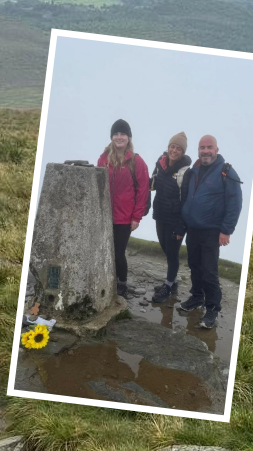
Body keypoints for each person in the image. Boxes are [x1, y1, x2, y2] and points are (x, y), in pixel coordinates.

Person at [176, 135, 242, 329]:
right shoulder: (195, 170)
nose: (205, 151)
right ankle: (197, 297)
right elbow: (188, 197)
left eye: (209, 147)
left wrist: (226, 230)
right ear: (198, 150)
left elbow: (235, 203)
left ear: (216, 149)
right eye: (202, 147)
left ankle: (212, 308)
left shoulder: (226, 172)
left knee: (209, 271)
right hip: (193, 229)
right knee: (194, 266)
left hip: (212, 231)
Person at [96, 119, 149, 297]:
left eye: (123, 134)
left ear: (129, 137)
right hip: (105, 215)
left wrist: (136, 217)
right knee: (105, 250)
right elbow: (97, 184)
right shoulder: (103, 159)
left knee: (119, 253)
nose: (119, 137)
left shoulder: (136, 161)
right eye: (116, 134)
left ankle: (122, 284)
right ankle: (107, 279)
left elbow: (143, 190)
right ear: (111, 137)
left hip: (125, 217)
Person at [150, 132, 192, 304]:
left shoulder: (186, 171)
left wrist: (181, 227)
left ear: (183, 152)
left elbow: (186, 200)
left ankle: (168, 286)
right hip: (160, 215)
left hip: (175, 220)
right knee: (165, 248)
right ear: (168, 148)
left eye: (178, 148)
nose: (174, 150)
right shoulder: (160, 163)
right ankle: (172, 281)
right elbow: (152, 183)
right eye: (172, 146)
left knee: (173, 253)